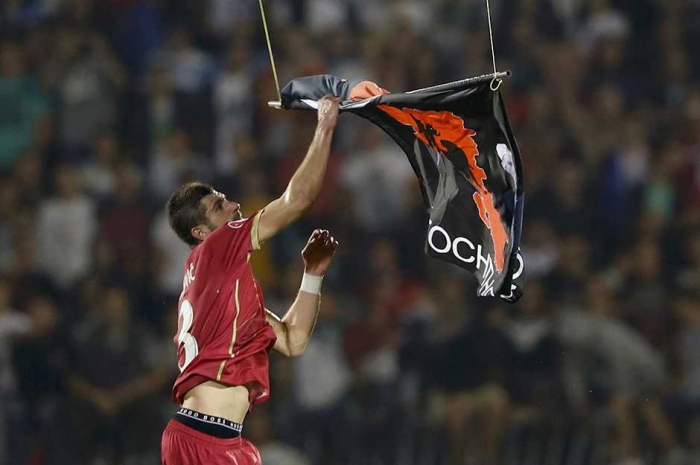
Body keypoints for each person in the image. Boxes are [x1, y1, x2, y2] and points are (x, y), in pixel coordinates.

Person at [160, 95, 341, 465]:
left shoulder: (225, 289)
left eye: (224, 198)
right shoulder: (215, 249)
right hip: (207, 438)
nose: (231, 205)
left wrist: (312, 276)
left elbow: (292, 341)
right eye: (217, 206)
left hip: (214, 437)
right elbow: (297, 200)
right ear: (200, 231)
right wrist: (324, 127)